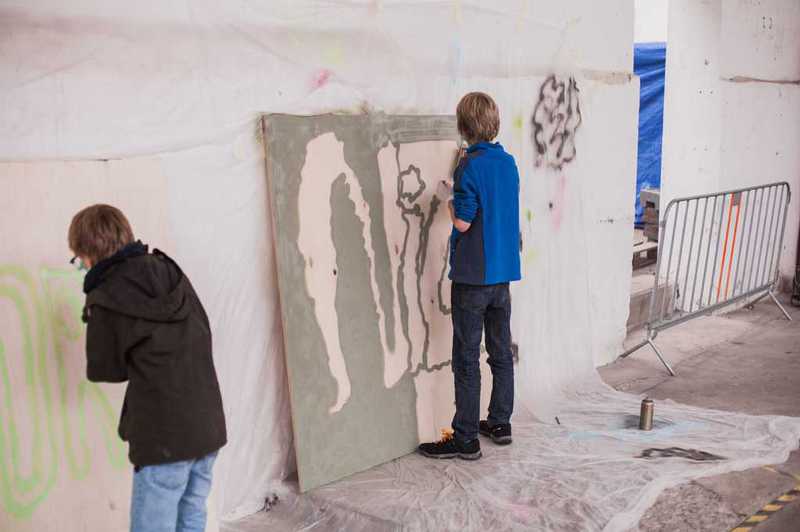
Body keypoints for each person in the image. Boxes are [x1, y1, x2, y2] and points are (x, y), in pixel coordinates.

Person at [68, 204, 226, 531]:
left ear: (89, 253)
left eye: (78, 259)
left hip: (164, 438)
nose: (81, 266)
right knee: (191, 517)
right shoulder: (169, 269)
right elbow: (201, 329)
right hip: (207, 425)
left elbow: (106, 370)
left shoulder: (105, 294)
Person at [418, 92, 521, 460]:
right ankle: (500, 423)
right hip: (502, 275)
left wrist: (448, 198)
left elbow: (463, 222)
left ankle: (465, 439)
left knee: (466, 358)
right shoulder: (508, 162)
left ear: (463, 126)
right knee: (500, 351)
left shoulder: (469, 165)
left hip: (473, 276)